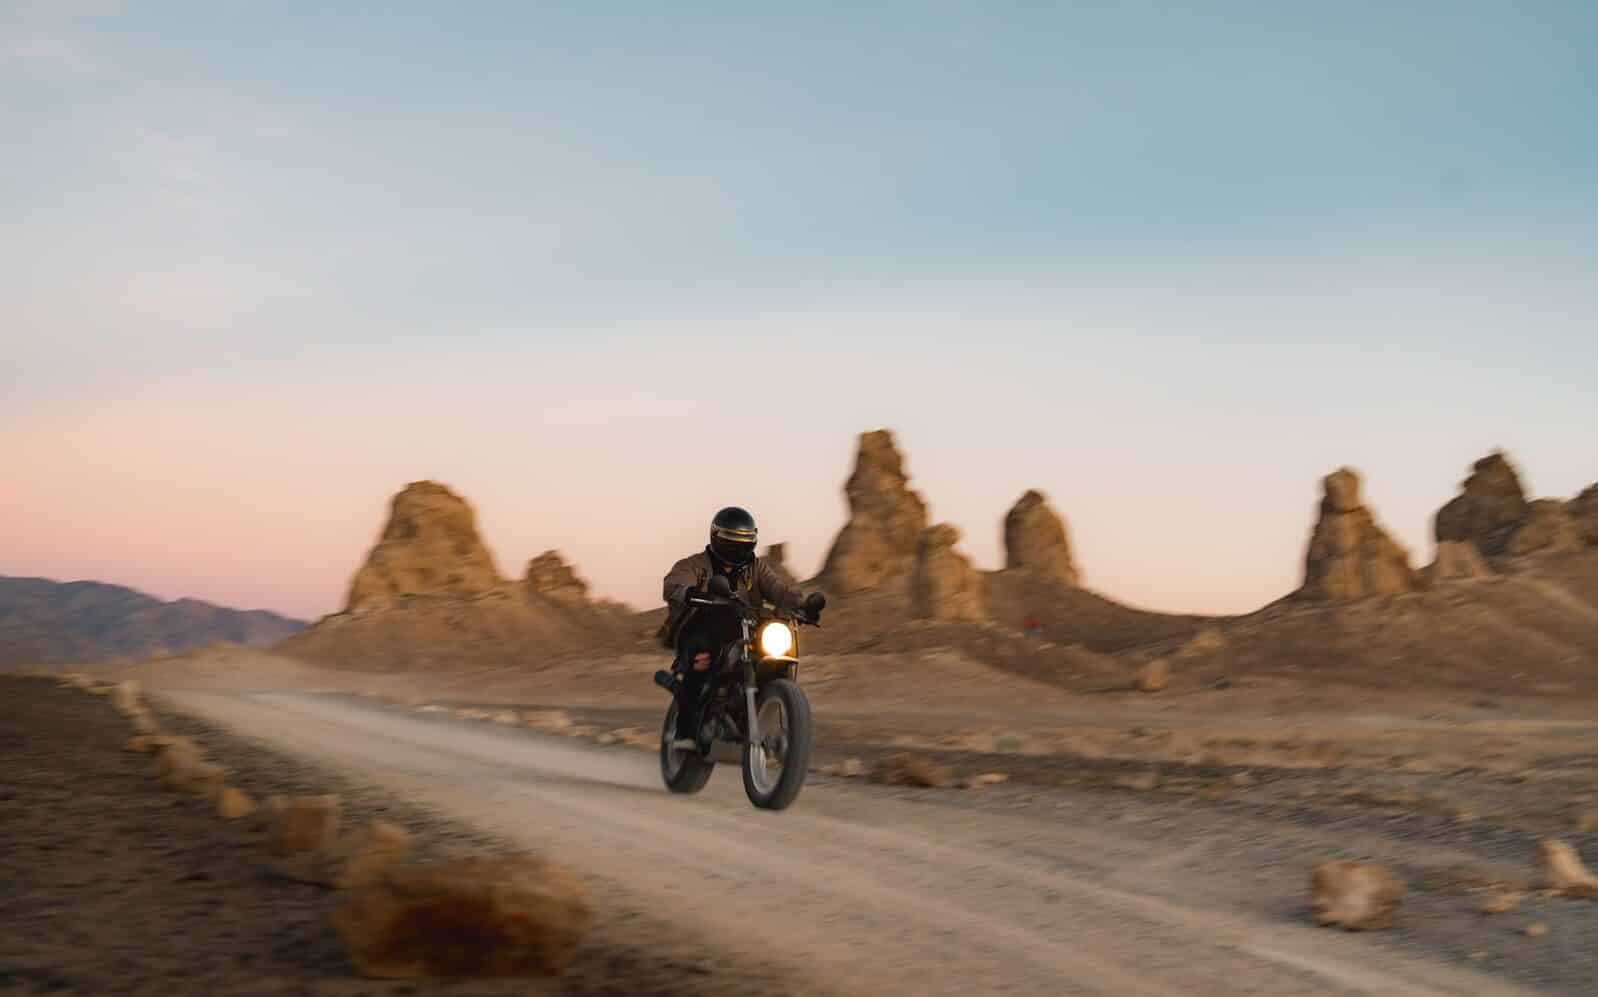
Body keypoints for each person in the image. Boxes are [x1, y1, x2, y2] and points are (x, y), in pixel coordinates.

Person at [658, 506, 823, 745]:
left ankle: (765, 709)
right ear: (716, 538)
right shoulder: (695, 564)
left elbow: (779, 590)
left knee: (770, 656)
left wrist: (803, 605)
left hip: (742, 626)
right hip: (699, 627)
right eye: (731, 542)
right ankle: (685, 731)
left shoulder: (756, 568)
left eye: (744, 543)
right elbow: (673, 583)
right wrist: (689, 592)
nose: (737, 549)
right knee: (702, 661)